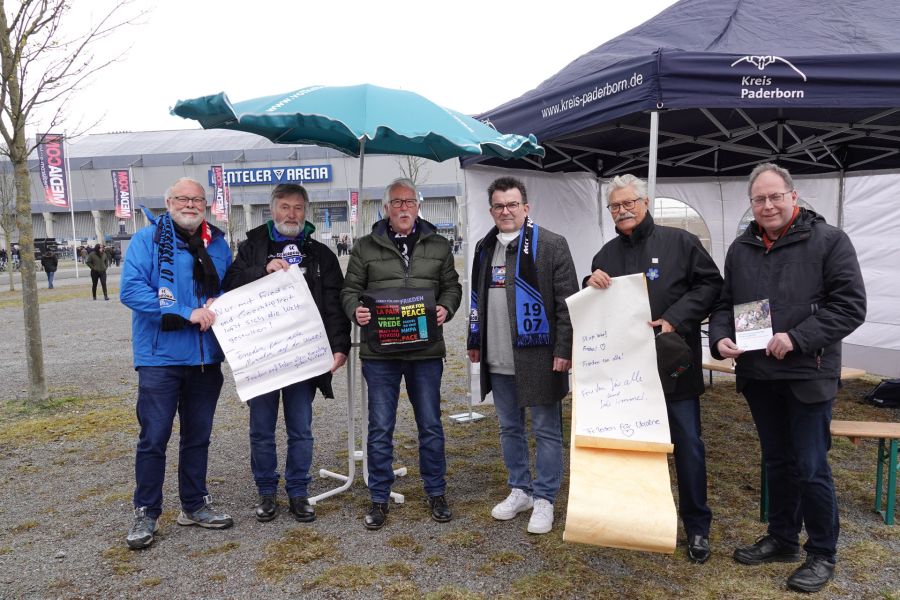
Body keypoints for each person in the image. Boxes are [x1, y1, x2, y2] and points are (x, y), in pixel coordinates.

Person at [709, 163, 866, 593]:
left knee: (811, 465)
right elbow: (726, 304)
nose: (768, 205)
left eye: (775, 196)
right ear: (751, 204)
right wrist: (720, 338)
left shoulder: (829, 241)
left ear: (793, 196)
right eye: (759, 199)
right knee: (776, 461)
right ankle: (782, 539)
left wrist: (797, 338)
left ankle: (822, 553)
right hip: (759, 374)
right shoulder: (742, 248)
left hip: (808, 373)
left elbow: (850, 306)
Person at [585, 173, 723, 563]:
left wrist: (673, 318)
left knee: (688, 447)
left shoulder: (681, 242)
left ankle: (697, 527)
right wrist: (587, 280)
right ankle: (635, 519)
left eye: (629, 203)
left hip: (674, 365)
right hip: (626, 375)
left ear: (645, 203)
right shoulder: (606, 254)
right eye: (615, 206)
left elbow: (712, 286)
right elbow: (595, 305)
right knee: (631, 448)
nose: (623, 210)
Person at [223, 184, 351, 523]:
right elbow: (230, 286)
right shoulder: (252, 247)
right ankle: (266, 492)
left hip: (303, 358)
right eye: (284, 207)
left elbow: (335, 305)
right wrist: (260, 271)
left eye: (297, 208)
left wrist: (340, 346)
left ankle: (298, 491)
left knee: (301, 428)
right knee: (261, 429)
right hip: (262, 357)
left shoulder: (321, 254)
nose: (290, 214)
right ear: (272, 210)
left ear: (305, 212)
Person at [119, 178, 234, 549]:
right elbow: (132, 291)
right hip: (160, 358)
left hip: (205, 358)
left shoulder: (216, 244)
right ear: (168, 202)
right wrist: (187, 312)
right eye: (182, 198)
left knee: (197, 437)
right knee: (154, 437)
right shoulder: (146, 240)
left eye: (197, 199)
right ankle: (146, 512)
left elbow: (231, 290)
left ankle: (194, 504)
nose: (190, 204)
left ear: (206, 204)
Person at [341, 177, 462, 530]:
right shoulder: (364, 247)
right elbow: (350, 290)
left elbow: (452, 286)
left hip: (425, 351)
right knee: (380, 427)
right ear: (386, 208)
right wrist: (356, 311)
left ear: (418, 206)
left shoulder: (439, 244)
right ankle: (379, 497)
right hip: (381, 353)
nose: (404, 208)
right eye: (397, 202)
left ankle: (436, 492)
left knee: (430, 424)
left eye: (409, 202)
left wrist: (446, 308)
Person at [467, 177, 578, 534]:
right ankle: (521, 489)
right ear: (491, 211)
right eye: (499, 205)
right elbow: (476, 299)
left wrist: (564, 349)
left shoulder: (550, 245)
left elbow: (567, 304)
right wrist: (475, 338)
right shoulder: (484, 248)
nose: (506, 211)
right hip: (497, 357)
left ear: (526, 208)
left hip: (540, 357)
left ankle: (545, 497)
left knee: (546, 430)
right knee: (509, 427)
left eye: (512, 204)